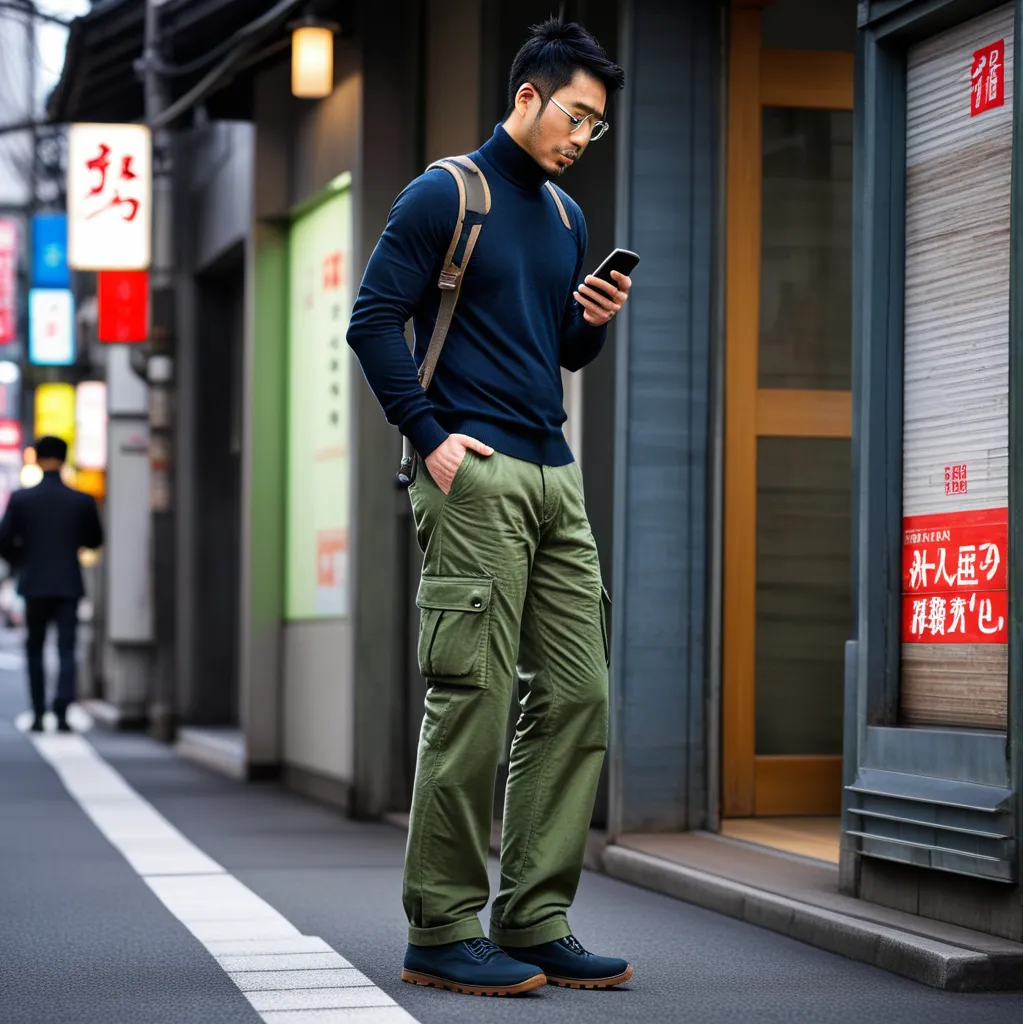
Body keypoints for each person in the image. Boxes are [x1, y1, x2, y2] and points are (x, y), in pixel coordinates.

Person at [347, 19, 632, 997]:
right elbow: (372, 317)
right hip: (473, 470)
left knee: (578, 693)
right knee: (469, 699)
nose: (582, 138)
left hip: (555, 473)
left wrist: (584, 326)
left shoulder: (562, 217)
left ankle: (534, 914)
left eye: (597, 127)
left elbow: (547, 348)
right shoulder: (445, 194)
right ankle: (440, 923)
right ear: (526, 96)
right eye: (576, 117)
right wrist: (429, 438)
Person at [0, 436, 104, 733]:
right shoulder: (81, 500)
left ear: (36, 458)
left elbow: (3, 540)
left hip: (33, 582)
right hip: (68, 582)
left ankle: (36, 712)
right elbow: (94, 540)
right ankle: (62, 711)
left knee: (34, 648)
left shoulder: (21, 500)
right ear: (64, 458)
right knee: (66, 648)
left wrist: (22, 559)